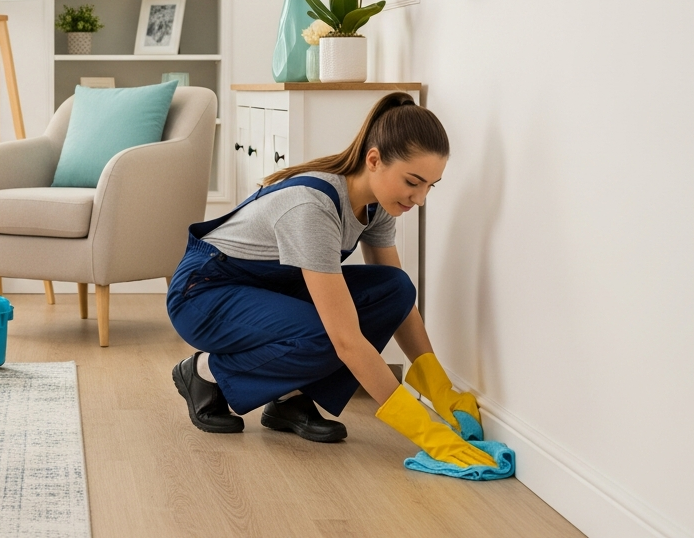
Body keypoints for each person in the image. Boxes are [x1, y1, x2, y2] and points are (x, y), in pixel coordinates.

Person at [167, 92, 496, 468]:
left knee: (395, 288)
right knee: (330, 335)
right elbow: (346, 341)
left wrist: (437, 385)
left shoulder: (377, 205)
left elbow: (398, 301)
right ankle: (205, 371)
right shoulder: (313, 207)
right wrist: (425, 432)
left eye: (430, 186)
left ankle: (288, 399)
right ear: (374, 160)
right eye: (413, 182)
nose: (419, 198)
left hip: (267, 290)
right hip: (205, 294)